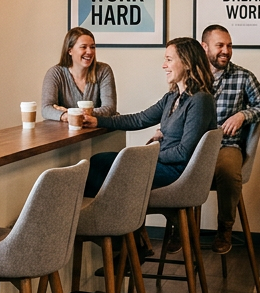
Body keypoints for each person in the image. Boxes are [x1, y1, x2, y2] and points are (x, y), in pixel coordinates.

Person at [81, 37, 218, 254]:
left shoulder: (200, 100)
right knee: (99, 162)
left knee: (105, 167)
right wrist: (99, 121)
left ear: (187, 63)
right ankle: (127, 239)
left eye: (169, 59)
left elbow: (185, 153)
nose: (164, 65)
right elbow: (139, 119)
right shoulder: (173, 97)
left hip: (177, 173)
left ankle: (119, 240)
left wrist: (150, 153)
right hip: (164, 164)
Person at [200, 25, 260, 254]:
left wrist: (243, 115)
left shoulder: (243, 76)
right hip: (194, 146)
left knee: (228, 170)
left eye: (229, 45)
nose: (226, 50)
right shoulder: (192, 75)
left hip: (227, 145)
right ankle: (177, 228)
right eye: (220, 45)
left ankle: (224, 229)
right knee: (168, 164)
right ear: (205, 47)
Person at [41, 28, 117, 125]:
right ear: (70, 50)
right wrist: (66, 116)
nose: (89, 51)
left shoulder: (103, 70)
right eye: (83, 47)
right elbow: (46, 109)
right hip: (67, 134)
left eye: (92, 47)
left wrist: (73, 113)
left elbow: (110, 109)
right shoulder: (55, 73)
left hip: (100, 133)